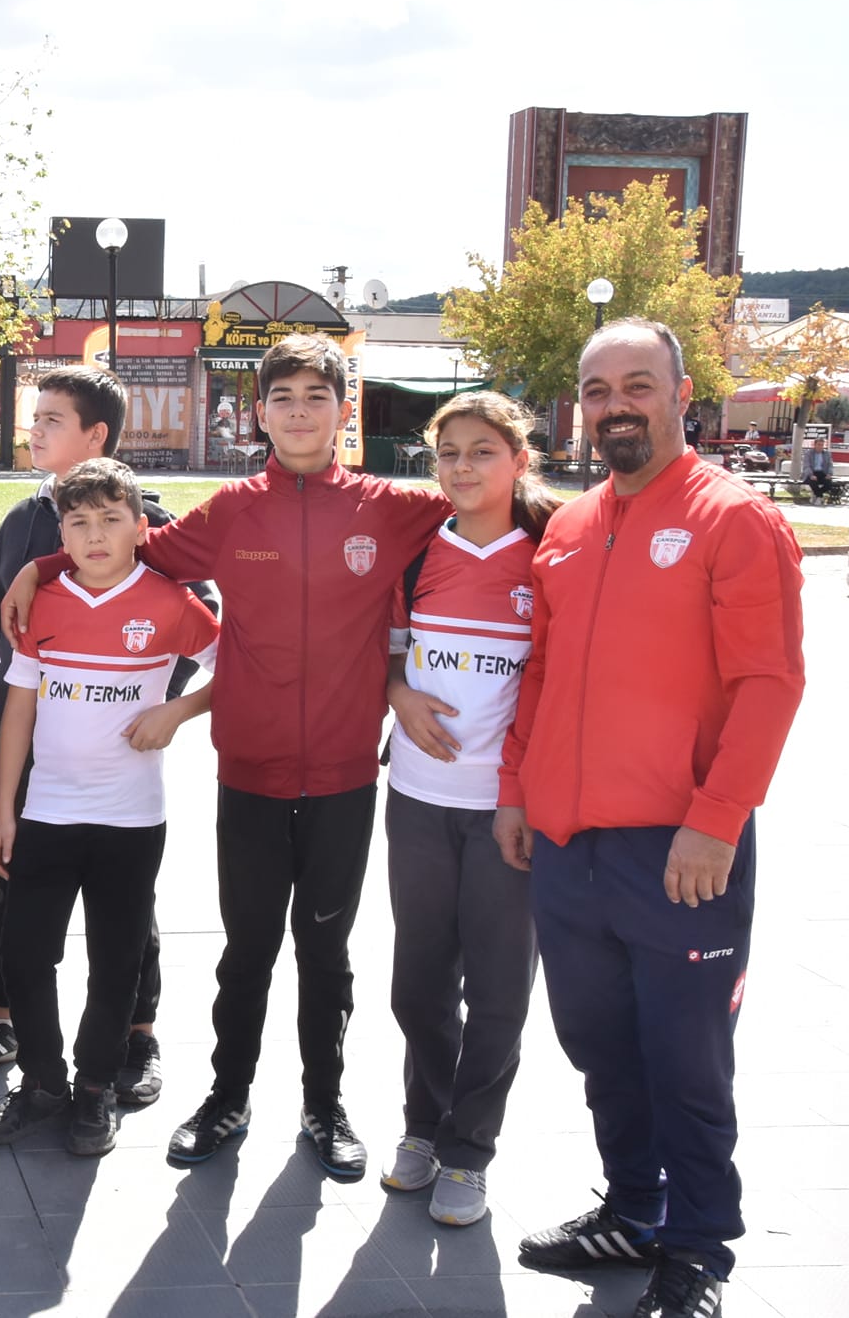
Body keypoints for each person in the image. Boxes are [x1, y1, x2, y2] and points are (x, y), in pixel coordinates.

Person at [0, 333, 451, 1183]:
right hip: (249, 771)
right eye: (283, 398)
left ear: (343, 409)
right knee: (246, 951)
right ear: (260, 413)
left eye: (317, 397)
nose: (300, 413)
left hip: (346, 775)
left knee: (326, 955)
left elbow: (494, 506)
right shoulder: (233, 509)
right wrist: (47, 565)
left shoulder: (392, 507)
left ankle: (324, 1105)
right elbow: (129, 547)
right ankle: (226, 1097)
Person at [495, 318, 805, 1318]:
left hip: (680, 849)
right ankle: (633, 1209)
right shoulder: (571, 526)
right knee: (599, 1044)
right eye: (597, 390)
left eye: (637, 384)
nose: (614, 405)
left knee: (685, 1060)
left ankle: (698, 1248)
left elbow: (768, 684)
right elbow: (541, 675)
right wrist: (517, 790)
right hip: (567, 845)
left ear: (680, 395)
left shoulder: (733, 519)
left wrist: (716, 819)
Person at [0, 365, 205, 1101]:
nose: (34, 429)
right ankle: (8, 1030)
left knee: (124, 932)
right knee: (18, 916)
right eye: (33, 417)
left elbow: (194, 625)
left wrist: (155, 706)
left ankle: (133, 1040)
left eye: (52, 419)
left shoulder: (153, 522)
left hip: (121, 779)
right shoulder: (23, 518)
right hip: (38, 765)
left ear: (96, 434)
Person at [378, 392, 560, 1228]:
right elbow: (388, 653)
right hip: (418, 798)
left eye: (482, 450)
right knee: (418, 985)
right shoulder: (419, 554)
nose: (461, 466)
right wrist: (398, 693)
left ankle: (469, 1149)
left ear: (519, 459)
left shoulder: (550, 553)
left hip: (508, 812)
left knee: (497, 990)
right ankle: (426, 1122)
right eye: (447, 451)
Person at [803, 437, 834, 501]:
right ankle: (819, 497)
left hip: (822, 473)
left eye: (822, 445)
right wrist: (811, 475)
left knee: (828, 484)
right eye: (819, 445)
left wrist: (829, 474)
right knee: (813, 482)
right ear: (815, 445)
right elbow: (806, 465)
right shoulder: (808, 453)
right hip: (811, 473)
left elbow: (830, 465)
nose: (820, 447)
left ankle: (817, 495)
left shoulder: (827, 454)